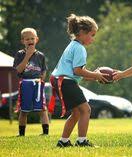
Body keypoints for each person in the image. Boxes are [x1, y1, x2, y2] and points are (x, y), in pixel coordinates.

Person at [49, 14, 108, 147]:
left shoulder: (73, 45)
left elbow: (78, 73)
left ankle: (63, 141)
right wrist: (96, 75)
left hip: (60, 80)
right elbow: (78, 71)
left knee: (77, 112)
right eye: (92, 35)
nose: (93, 39)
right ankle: (82, 141)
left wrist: (95, 76)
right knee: (85, 110)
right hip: (65, 81)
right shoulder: (80, 48)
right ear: (81, 33)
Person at [13, 28, 50, 136]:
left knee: (42, 109)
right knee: (24, 110)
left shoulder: (40, 55)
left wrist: (41, 81)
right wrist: (28, 55)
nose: (30, 41)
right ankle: (21, 133)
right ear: (23, 41)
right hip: (25, 83)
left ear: (36, 39)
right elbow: (19, 70)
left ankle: (45, 132)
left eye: (32, 38)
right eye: (27, 39)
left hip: (37, 83)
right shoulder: (20, 54)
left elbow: (43, 70)